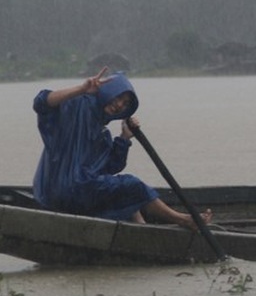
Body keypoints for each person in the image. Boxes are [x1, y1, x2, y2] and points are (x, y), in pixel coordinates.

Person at [32, 68, 211, 228]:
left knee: (124, 193)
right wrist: (81, 89)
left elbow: (111, 167)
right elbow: (41, 102)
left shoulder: (103, 135)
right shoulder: (77, 105)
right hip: (60, 190)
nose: (119, 105)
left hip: (78, 193)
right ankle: (182, 219)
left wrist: (124, 138)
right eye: (118, 98)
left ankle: (142, 228)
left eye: (125, 103)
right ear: (107, 91)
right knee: (133, 185)